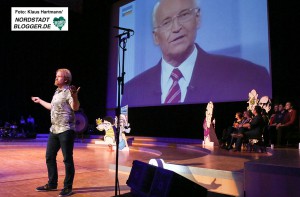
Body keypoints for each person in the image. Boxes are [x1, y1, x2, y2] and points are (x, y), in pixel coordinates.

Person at [121, 0, 271, 107]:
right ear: (155, 37)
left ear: (197, 19)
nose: (176, 27)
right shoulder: (132, 90)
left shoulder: (249, 75)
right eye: (166, 22)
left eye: (184, 15)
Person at [31, 68, 80, 196]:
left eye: (59, 76)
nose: (56, 78)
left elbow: (75, 107)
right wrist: (40, 100)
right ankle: (52, 184)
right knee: (49, 157)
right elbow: (52, 107)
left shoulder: (69, 91)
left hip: (66, 129)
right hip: (54, 129)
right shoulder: (57, 92)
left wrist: (74, 96)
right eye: (56, 76)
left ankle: (68, 187)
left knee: (67, 159)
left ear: (66, 79)